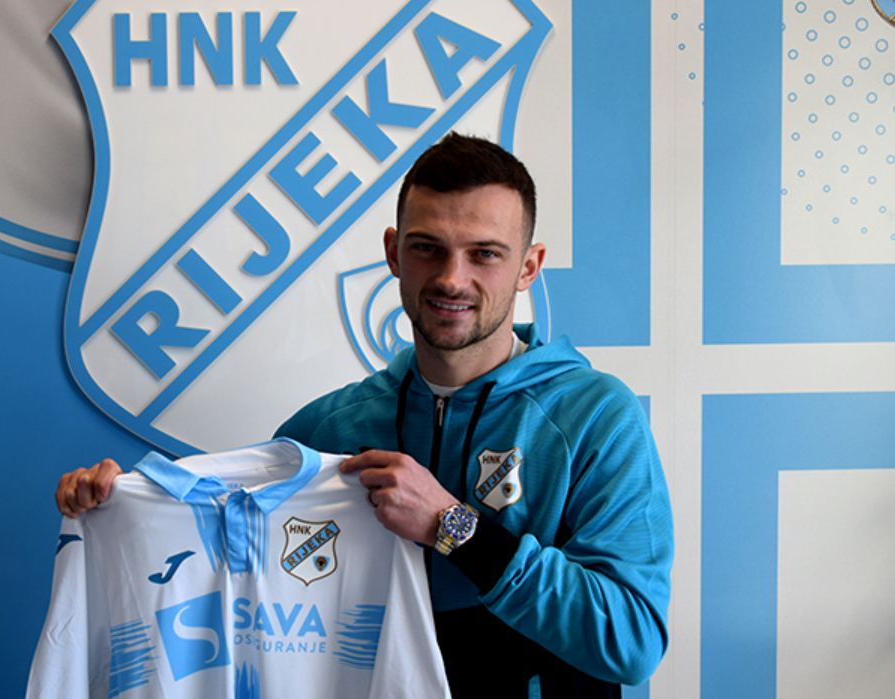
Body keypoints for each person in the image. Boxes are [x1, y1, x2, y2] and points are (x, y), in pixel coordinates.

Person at [56, 133, 673, 698]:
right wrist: (119, 506)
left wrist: (452, 527)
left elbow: (631, 642)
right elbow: (228, 579)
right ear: (393, 252)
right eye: (428, 248)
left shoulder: (594, 418)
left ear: (528, 267)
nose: (452, 278)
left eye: (484, 254)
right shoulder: (324, 433)